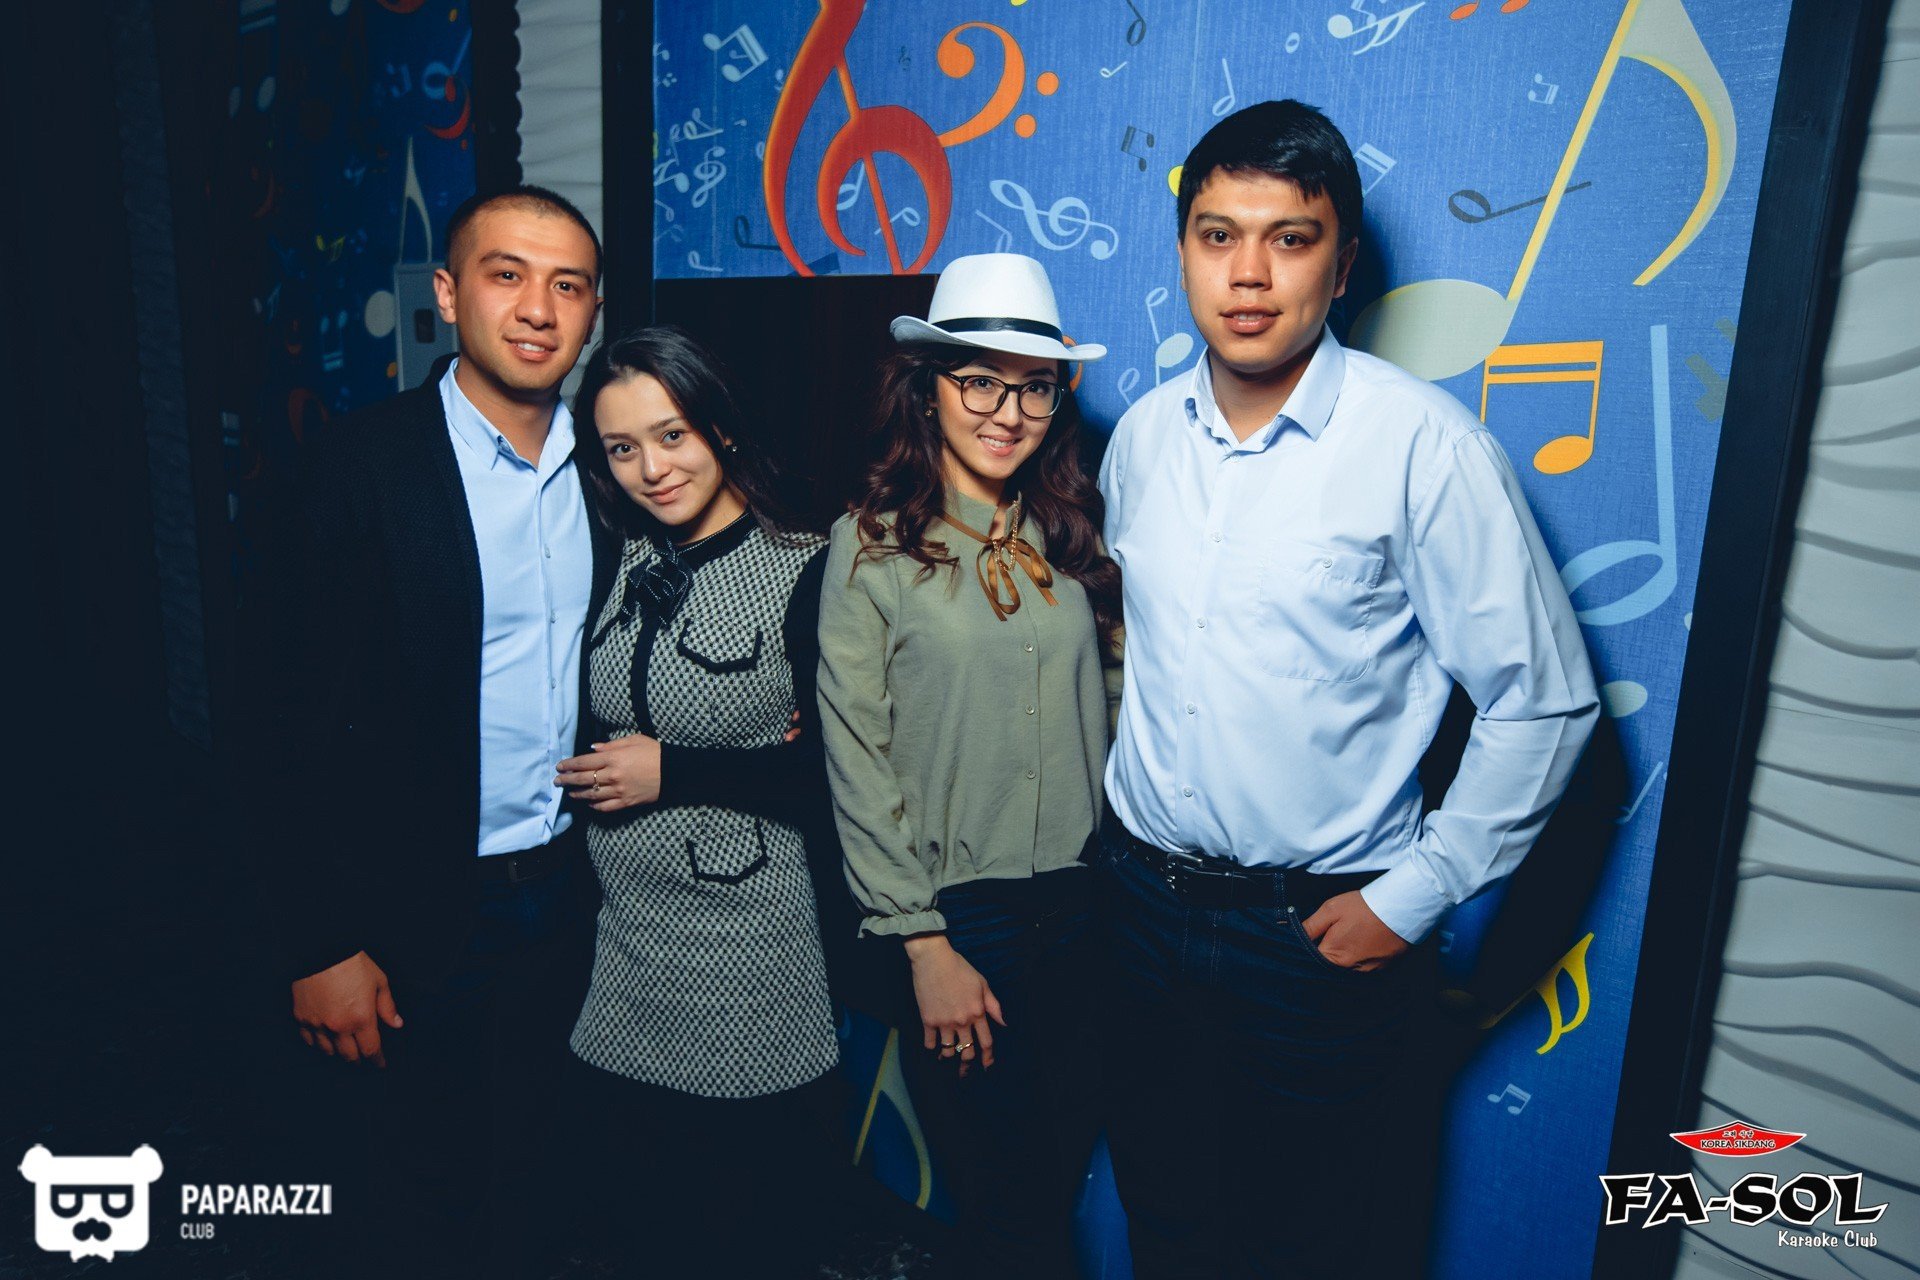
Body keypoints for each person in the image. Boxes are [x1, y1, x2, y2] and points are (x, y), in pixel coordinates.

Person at [1097, 100, 1601, 1278]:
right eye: (1218, 235)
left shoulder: (1425, 446)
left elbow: (1546, 700)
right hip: (1139, 910)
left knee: (1317, 1244)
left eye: (1291, 237)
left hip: (1314, 935)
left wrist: (1416, 894)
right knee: (1166, 1219)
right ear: (1184, 252)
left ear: (1344, 259)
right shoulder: (1141, 440)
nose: (1249, 274)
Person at [284, 185, 608, 1278]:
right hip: (414, 910)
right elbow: (285, 717)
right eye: (506, 274)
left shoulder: (611, 468)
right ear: (449, 293)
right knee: (415, 1194)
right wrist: (320, 941)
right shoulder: (359, 465)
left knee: (546, 1181)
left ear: (592, 311)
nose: (537, 309)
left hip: (572, 898)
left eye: (568, 285)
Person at [817, 253, 1121, 1279]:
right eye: (980, 380)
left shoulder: (1074, 538)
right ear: (929, 387)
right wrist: (922, 942)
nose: (1007, 411)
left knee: (1051, 1187)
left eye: (1035, 386)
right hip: (960, 926)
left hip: (1087, 912)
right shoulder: (868, 547)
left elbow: (1118, 709)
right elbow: (856, 756)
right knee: (1002, 1205)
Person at [557, 325, 847, 1279]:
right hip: (624, 945)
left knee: (745, 1227)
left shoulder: (806, 567)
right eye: (621, 448)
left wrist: (675, 772)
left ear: (720, 427)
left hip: (751, 952)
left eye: (671, 435)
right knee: (640, 1222)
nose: (652, 469)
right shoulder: (618, 557)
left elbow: (842, 780)